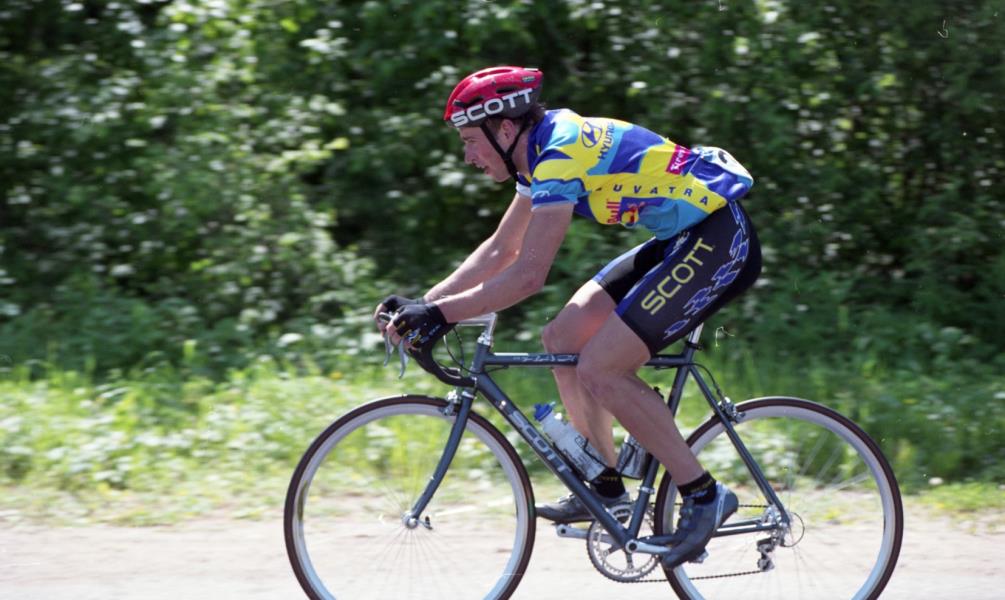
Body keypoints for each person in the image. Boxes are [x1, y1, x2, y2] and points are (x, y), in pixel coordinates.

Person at [375, 65, 761, 568]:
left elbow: (527, 276)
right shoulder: (536, 153)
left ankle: (704, 495)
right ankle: (606, 485)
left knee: (602, 368)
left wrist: (438, 314)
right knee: (563, 339)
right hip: (681, 238)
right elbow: (501, 250)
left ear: (504, 129)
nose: (467, 156)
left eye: (470, 141)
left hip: (718, 237)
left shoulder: (559, 153)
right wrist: (424, 305)